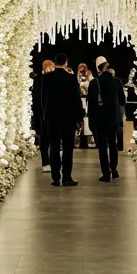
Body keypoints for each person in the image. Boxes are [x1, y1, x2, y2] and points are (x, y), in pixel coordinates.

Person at [41, 52, 84, 187]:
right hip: (68, 118)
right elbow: (77, 100)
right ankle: (66, 177)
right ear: (66, 62)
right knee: (67, 147)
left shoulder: (47, 78)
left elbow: (43, 98)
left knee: (53, 145)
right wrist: (79, 117)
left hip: (52, 117)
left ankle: (55, 177)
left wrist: (45, 114)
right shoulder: (71, 79)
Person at [89, 55, 126, 182]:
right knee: (113, 144)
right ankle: (114, 170)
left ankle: (106, 173)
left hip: (100, 120)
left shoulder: (94, 83)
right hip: (113, 118)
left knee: (102, 146)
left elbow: (91, 104)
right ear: (106, 66)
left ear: (98, 69)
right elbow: (122, 100)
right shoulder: (117, 81)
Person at [31, 58, 55, 171]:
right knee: (44, 139)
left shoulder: (53, 78)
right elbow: (36, 97)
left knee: (52, 138)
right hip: (42, 114)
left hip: (52, 114)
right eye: (50, 68)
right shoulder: (38, 79)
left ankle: (52, 160)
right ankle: (45, 162)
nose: (51, 70)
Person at [76, 63, 93, 149]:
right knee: (79, 121)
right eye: (80, 68)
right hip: (79, 101)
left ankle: (85, 140)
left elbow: (93, 85)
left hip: (86, 101)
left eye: (84, 68)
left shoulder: (89, 77)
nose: (82, 70)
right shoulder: (76, 77)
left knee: (86, 120)